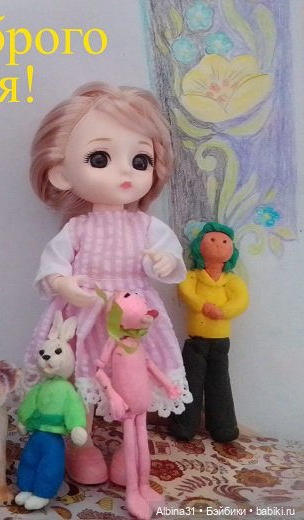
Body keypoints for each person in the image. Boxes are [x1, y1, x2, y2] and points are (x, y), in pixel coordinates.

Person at [22, 82, 191, 484]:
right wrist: (63, 284)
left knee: (134, 386)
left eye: (140, 160)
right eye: (100, 158)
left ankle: (132, 449)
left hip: (132, 322)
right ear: (61, 173)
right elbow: (52, 267)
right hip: (83, 319)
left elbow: (170, 262)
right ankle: (82, 448)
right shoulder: (77, 228)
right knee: (80, 384)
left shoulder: (147, 226)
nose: (125, 172)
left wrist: (166, 261)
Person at [170, 222, 249, 442]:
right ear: (199, 246)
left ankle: (224, 427)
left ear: (232, 251)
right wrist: (203, 306)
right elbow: (185, 291)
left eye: (224, 242)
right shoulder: (193, 276)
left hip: (221, 341)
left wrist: (223, 312)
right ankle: (183, 425)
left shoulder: (231, 281)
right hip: (196, 342)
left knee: (220, 384)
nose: (219, 245)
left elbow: (241, 300)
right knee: (190, 382)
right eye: (212, 240)